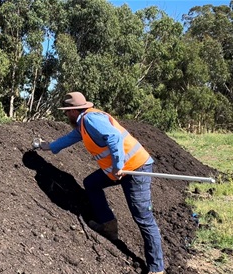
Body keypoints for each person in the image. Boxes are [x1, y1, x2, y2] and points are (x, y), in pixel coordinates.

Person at [39, 92, 164, 274]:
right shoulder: (82, 124)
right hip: (117, 170)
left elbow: (114, 137)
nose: (66, 116)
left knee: (143, 218)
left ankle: (156, 268)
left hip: (135, 169)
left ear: (73, 111)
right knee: (91, 183)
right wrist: (48, 146)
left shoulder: (91, 120)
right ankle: (108, 225)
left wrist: (118, 165)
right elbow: (69, 139)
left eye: (67, 112)